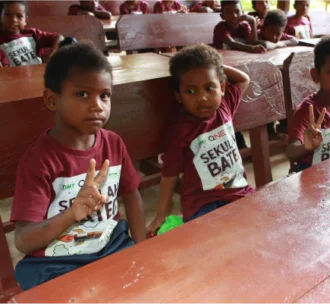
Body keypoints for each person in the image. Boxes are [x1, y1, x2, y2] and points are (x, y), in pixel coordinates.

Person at [11, 42, 146, 291]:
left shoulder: (113, 142)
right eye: (82, 94)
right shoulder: (40, 159)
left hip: (109, 244)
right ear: (52, 100)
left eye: (104, 95)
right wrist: (72, 213)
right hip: (59, 260)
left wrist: (141, 247)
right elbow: (23, 241)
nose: (97, 105)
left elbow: (132, 193)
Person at [146, 44, 254, 235]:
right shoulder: (179, 131)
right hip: (203, 204)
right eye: (191, 91)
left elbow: (244, 79)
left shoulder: (225, 107)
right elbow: (169, 174)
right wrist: (161, 214)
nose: (202, 98)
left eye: (209, 88)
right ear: (179, 96)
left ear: (222, 88)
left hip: (239, 192)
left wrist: (215, 68)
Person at [286, 33, 330, 171]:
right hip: (308, 175)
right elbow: (291, 152)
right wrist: (307, 147)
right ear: (316, 75)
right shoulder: (308, 110)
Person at [0, 0, 63, 67]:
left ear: (25, 21)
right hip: (14, 77)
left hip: (38, 75)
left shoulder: (33, 34)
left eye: (19, 16)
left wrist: (52, 55)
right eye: (7, 14)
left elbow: (59, 37)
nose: (14, 20)